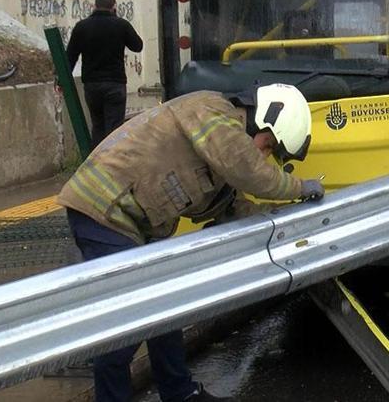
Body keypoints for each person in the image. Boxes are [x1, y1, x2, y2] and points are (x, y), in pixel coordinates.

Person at [57, 83, 325, 402]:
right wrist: (299, 188)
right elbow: (250, 173)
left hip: (123, 221)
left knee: (169, 306)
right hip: (102, 211)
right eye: (269, 146)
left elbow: (233, 202)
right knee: (128, 323)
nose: (265, 156)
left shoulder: (221, 143)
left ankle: (179, 393)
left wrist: (277, 220)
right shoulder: (215, 114)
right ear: (265, 119)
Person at [66, 0, 143, 148]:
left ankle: (97, 164)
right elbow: (138, 46)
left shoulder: (82, 27)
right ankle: (113, 165)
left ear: (95, 6)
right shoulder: (121, 25)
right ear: (113, 6)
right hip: (115, 84)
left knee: (98, 127)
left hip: (92, 85)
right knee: (115, 129)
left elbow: (70, 56)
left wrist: (61, 81)